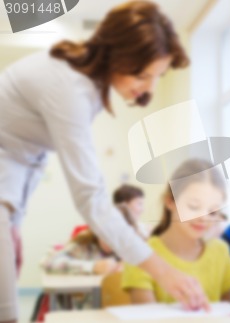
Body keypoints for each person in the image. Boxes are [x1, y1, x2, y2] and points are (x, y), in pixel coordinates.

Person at [0, 2, 208, 322]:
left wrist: (13, 220)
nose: (148, 87)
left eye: (157, 76)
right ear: (116, 55)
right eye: (142, 74)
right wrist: (163, 272)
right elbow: (91, 198)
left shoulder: (84, 84)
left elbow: (28, 154)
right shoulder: (68, 87)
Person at [122, 159, 230, 304]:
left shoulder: (220, 252)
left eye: (213, 212)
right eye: (194, 206)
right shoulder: (142, 255)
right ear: (170, 201)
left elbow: (227, 314)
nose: (203, 218)